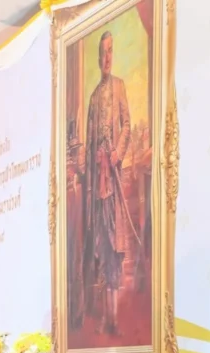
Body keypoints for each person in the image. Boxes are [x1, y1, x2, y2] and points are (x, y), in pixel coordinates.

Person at [83, 30, 131, 336]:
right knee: (100, 244)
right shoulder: (93, 98)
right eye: (103, 52)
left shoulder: (119, 87)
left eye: (110, 51)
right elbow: (89, 146)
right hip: (97, 186)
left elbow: (127, 126)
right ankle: (105, 315)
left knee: (114, 245)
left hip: (113, 180)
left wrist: (116, 153)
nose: (107, 57)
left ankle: (114, 316)